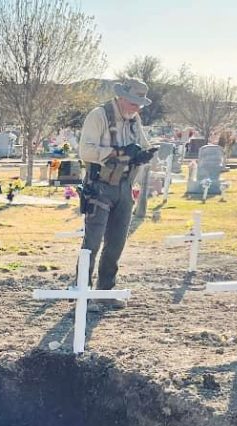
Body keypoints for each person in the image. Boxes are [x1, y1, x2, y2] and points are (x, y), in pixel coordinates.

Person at [78, 78, 156, 306]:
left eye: (139, 104)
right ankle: (82, 292)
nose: (136, 108)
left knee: (116, 242)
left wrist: (143, 154)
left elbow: (142, 144)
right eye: (133, 102)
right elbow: (85, 151)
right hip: (100, 186)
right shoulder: (99, 115)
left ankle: (105, 291)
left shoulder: (134, 120)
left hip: (124, 186)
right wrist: (118, 152)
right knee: (92, 242)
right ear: (122, 97)